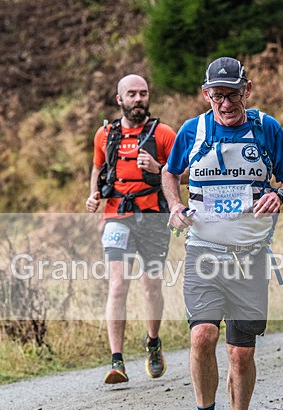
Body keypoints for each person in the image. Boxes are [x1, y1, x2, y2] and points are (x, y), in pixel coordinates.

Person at [162, 57, 283, 410]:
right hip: (203, 252)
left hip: (249, 259)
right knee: (202, 335)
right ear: (206, 94)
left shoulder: (266, 128)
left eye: (233, 94)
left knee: (241, 353)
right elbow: (171, 174)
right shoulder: (193, 130)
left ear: (248, 90)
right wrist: (173, 206)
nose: (225, 103)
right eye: (217, 95)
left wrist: (280, 193)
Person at [85, 74, 176, 384]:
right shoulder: (105, 134)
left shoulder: (163, 134)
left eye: (143, 93)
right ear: (119, 100)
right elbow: (98, 167)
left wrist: (159, 169)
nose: (139, 99)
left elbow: (184, 173)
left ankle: (153, 342)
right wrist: (93, 194)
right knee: (118, 284)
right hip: (116, 216)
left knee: (151, 287)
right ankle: (117, 361)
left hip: (152, 218)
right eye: (132, 94)